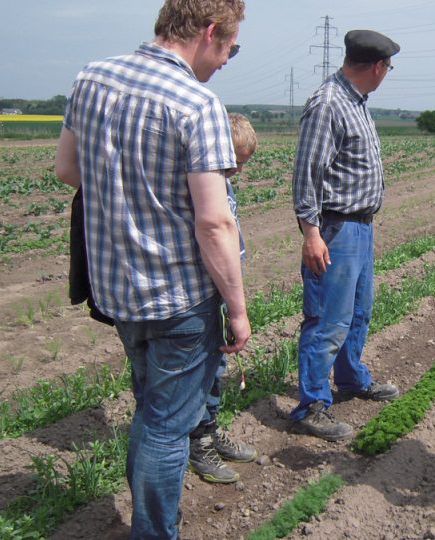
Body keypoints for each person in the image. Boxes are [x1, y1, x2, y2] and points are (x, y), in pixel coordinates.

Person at [53, 1, 250, 537]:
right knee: (167, 426)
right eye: (230, 47)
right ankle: (154, 531)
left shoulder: (90, 77)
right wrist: (237, 308)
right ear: (210, 32)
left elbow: (67, 169)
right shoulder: (197, 102)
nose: (227, 58)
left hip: (116, 290)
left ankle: (147, 519)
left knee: (150, 411)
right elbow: (214, 223)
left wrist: (126, 200)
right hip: (178, 299)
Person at [288, 30, 402, 441]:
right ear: (376, 66)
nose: (387, 73)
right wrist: (311, 233)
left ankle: (352, 378)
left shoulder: (356, 103)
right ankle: (312, 404)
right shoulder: (328, 104)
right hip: (334, 228)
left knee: (357, 312)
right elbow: (306, 176)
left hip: (360, 226)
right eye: (387, 67)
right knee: (326, 320)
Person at [187, 113, 259, 484]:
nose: (237, 173)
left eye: (242, 165)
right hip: (200, 292)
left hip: (219, 291)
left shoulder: (222, 184)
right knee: (203, 369)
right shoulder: (204, 183)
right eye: (234, 165)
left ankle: (211, 429)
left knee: (217, 367)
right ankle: (198, 441)